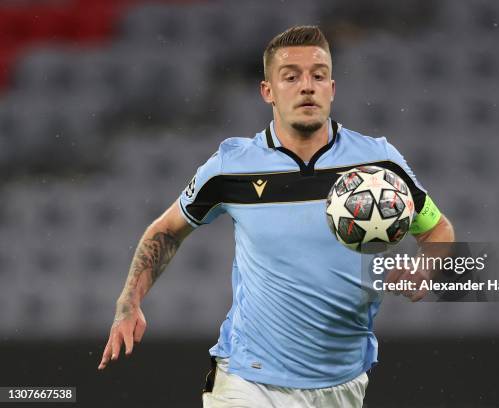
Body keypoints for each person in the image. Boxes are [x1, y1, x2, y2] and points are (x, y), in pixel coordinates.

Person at [98, 25, 454, 407]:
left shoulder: (379, 164)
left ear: (332, 89)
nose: (307, 86)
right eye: (291, 76)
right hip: (248, 380)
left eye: (318, 76)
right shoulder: (230, 168)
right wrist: (129, 301)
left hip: (341, 383)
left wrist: (427, 268)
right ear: (268, 91)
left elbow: (437, 230)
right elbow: (167, 230)